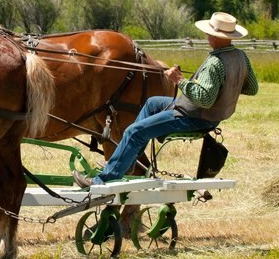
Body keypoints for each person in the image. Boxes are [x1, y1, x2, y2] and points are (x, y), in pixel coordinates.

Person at [72, 11, 259, 188]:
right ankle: (128, 161)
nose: (207, 37)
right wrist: (227, 87)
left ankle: (102, 180)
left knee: (134, 131)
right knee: (152, 103)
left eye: (208, 33)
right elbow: (252, 88)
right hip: (206, 114)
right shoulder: (241, 57)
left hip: (195, 117)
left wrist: (179, 80)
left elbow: (204, 99)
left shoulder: (215, 63)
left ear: (215, 36)